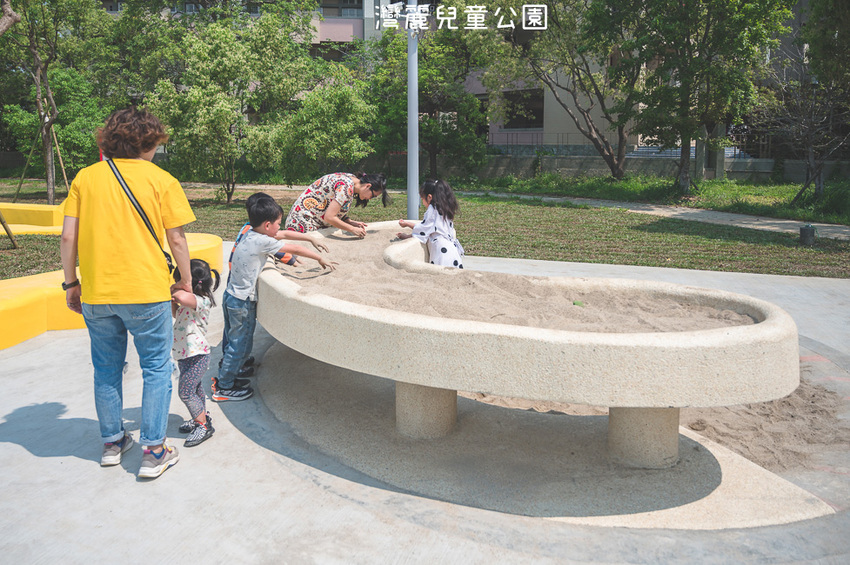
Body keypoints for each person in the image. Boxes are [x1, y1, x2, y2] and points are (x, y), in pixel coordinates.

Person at [60, 107, 195, 479]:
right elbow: (177, 239)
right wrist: (185, 281)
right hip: (146, 291)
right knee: (155, 368)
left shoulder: (85, 178)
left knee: (105, 369)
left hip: (97, 293)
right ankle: (154, 450)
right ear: (150, 141)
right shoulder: (162, 180)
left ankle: (112, 442)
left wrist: (71, 283)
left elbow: (68, 236)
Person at [214, 196, 338, 402]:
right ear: (267, 225)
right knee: (238, 343)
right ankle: (224, 386)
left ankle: (237, 368)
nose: (280, 227)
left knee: (240, 340)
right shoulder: (263, 241)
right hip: (242, 301)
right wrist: (319, 257)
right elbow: (292, 249)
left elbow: (284, 234)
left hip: (232, 296)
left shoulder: (250, 232)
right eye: (278, 222)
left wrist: (310, 238)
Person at [172, 259, 220, 447]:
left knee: (185, 392)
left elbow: (183, 298)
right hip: (185, 354)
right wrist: (173, 300)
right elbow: (177, 313)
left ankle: (203, 425)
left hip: (197, 355)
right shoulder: (190, 301)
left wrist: (175, 287)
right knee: (195, 388)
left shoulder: (201, 300)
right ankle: (200, 415)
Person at [285, 172, 388, 238]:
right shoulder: (346, 188)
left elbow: (331, 203)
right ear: (368, 186)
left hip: (302, 218)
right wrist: (352, 229)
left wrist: (348, 221)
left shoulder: (349, 178)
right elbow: (330, 217)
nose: (370, 199)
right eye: (373, 196)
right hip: (302, 223)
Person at [397, 179, 465, 268]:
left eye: (422, 198)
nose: (422, 201)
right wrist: (408, 224)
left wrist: (405, 235)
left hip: (441, 252)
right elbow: (426, 228)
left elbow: (423, 230)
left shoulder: (432, 210)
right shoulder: (444, 209)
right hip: (452, 251)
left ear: (429, 197)